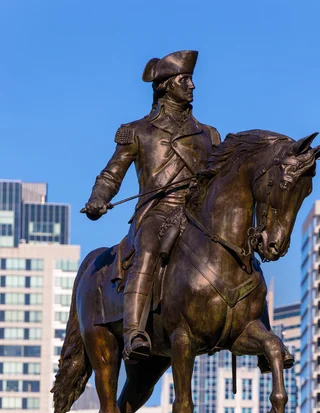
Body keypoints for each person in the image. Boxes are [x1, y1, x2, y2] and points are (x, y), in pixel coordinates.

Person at [84, 50, 221, 362]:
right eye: (185, 80)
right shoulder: (138, 131)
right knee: (147, 250)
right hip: (157, 212)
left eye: (191, 79)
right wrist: (98, 199)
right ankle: (134, 331)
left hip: (198, 215)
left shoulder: (209, 135)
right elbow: (111, 174)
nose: (193, 86)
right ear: (167, 86)